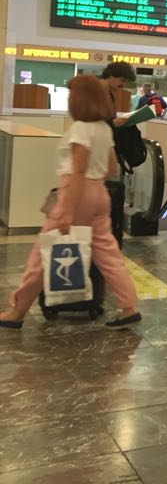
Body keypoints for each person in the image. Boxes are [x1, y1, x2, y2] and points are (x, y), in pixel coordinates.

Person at [1, 75, 142, 330]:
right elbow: (110, 168)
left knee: (42, 254)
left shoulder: (80, 129)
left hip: (76, 193)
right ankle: (129, 307)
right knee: (108, 254)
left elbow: (77, 171)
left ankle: (17, 310)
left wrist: (66, 210)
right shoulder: (103, 128)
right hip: (99, 193)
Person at [101, 61, 136, 127]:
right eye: (122, 80)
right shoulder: (92, 91)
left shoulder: (110, 94)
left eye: (126, 82)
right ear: (111, 75)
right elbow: (86, 119)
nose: (123, 85)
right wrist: (112, 123)